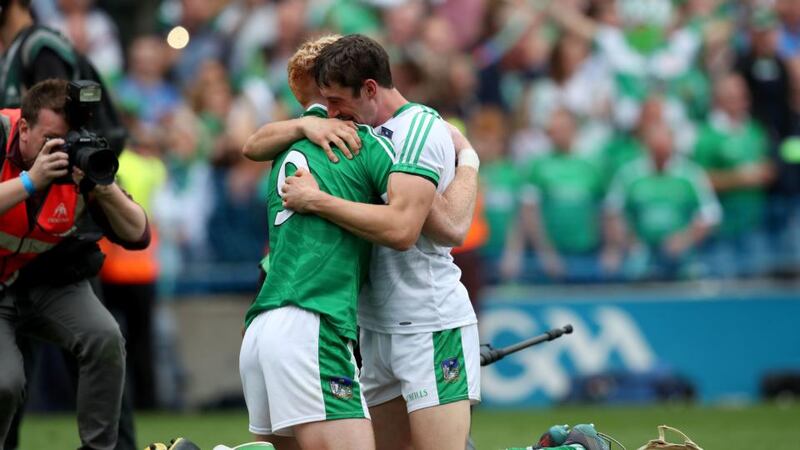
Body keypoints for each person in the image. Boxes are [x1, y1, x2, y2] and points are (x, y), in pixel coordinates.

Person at [276, 34, 481, 450]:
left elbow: (404, 232)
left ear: (370, 88)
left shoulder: (419, 129)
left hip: (430, 322)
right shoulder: (359, 129)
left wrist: (317, 200)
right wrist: (304, 123)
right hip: (374, 328)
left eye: (336, 101)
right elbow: (444, 224)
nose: (330, 113)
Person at [240, 34, 424, 450]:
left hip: (262, 328)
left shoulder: (284, 142)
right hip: (312, 323)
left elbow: (250, 145)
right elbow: (406, 225)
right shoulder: (361, 142)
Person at [0, 1, 134, 448]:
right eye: (47, 141)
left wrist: (102, 187)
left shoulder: (40, 49)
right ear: (22, 128)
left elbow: (138, 234)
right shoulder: (2, 128)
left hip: (47, 275)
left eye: (65, 140)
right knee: (6, 382)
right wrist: (28, 179)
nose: (57, 150)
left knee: (104, 337)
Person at [602, 122, 721, 280]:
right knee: (631, 268)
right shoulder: (628, 174)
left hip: (682, 252)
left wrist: (685, 239)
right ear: (647, 145)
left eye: (664, 146)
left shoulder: (691, 174)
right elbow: (612, 212)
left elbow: (711, 214)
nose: (660, 152)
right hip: (639, 251)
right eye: (656, 147)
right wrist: (627, 242)